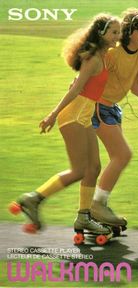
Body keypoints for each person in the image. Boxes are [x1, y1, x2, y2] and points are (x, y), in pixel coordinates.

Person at [9, 14, 121, 235]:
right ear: (102, 34)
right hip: (72, 116)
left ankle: (83, 217)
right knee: (80, 170)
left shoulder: (103, 54)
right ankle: (32, 199)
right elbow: (75, 89)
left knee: (94, 168)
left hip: (85, 115)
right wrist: (52, 115)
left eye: (119, 32)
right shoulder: (93, 59)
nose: (118, 36)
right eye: (114, 32)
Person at [77, 8, 138, 228]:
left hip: (113, 109)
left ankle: (95, 208)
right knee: (123, 155)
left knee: (118, 157)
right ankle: (97, 206)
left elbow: (136, 88)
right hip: (97, 107)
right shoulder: (112, 53)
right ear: (130, 31)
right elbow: (90, 71)